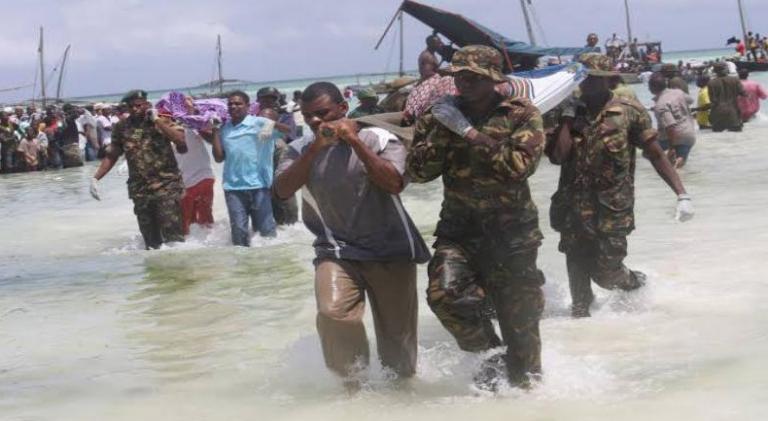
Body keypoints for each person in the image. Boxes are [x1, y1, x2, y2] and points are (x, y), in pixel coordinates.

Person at [407, 45, 546, 390]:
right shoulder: (439, 116)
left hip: (512, 234)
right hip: (460, 231)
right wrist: (441, 129)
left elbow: (518, 167)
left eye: (473, 76)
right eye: (458, 76)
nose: (463, 82)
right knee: (445, 296)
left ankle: (530, 399)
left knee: (520, 324)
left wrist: (469, 132)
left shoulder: (521, 114)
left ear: (493, 78)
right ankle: (490, 354)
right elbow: (419, 173)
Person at [274, 81, 430, 387]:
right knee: (332, 314)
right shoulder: (299, 148)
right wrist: (316, 148)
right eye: (309, 117)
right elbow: (281, 190)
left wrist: (355, 142)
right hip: (335, 250)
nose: (316, 121)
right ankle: (354, 392)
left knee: (398, 345)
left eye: (322, 113)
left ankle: (402, 399)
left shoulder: (379, 138)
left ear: (343, 109)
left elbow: (394, 183)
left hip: (390, 249)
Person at [547, 54, 694, 318]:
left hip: (611, 207)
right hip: (572, 204)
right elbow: (558, 156)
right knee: (576, 259)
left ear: (608, 81)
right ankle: (581, 316)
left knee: (607, 272)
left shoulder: (628, 110)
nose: (586, 83)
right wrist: (567, 118)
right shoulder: (566, 111)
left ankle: (636, 283)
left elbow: (656, 154)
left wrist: (681, 194)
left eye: (593, 78)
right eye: (582, 77)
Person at [89, 90, 188, 250]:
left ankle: (179, 271)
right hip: (140, 190)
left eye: (139, 105)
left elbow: (181, 143)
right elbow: (113, 154)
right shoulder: (123, 126)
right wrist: (96, 178)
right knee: (150, 240)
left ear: (147, 104)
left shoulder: (164, 120)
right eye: (131, 106)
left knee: (173, 236)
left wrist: (157, 120)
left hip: (166, 185)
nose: (135, 109)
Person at [209, 90, 284, 246]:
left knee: (266, 235)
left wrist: (272, 125)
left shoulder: (258, 123)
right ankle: (243, 267)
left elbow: (290, 131)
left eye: (238, 103)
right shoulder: (225, 129)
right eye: (230, 104)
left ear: (248, 106)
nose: (233, 106)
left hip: (260, 187)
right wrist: (215, 130)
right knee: (239, 235)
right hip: (233, 188)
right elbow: (218, 157)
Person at [259, 107, 298, 226]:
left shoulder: (279, 145)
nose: (262, 123)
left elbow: (283, 174)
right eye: (260, 120)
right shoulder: (258, 141)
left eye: (267, 121)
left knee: (289, 226)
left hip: (281, 192)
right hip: (266, 192)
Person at [648, 72, 696, 168]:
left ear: (651, 88)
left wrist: (671, 148)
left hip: (673, 136)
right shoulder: (678, 92)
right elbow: (691, 100)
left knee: (648, 153)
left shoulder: (660, 105)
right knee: (678, 166)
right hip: (689, 134)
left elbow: (671, 127)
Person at [174, 127, 215, 234]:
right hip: (185, 182)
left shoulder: (193, 122)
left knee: (200, 221)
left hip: (203, 177)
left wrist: (196, 124)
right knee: (191, 222)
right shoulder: (161, 128)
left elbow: (213, 137)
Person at [708, 62, 745, 132]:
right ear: (727, 69)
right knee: (738, 138)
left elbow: (713, 100)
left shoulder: (711, 83)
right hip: (733, 112)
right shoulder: (735, 80)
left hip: (718, 113)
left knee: (718, 140)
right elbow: (743, 94)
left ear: (715, 71)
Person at [54, 104, 84, 168]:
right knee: (77, 167)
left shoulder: (61, 120)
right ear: (68, 110)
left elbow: (59, 130)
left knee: (69, 167)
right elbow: (78, 114)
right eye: (71, 109)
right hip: (72, 146)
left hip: (66, 146)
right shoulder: (68, 118)